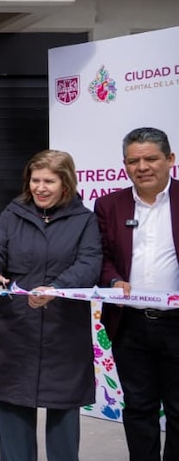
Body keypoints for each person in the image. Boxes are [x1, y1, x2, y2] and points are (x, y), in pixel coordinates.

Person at [0, 150, 101, 461]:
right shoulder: (14, 213)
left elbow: (90, 262)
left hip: (63, 331)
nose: (40, 187)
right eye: (35, 180)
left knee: (63, 410)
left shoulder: (84, 220)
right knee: (14, 404)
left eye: (49, 181)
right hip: (16, 328)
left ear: (65, 184)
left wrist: (58, 288)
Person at [95, 127, 179, 461]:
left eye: (150, 158)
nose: (142, 167)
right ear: (125, 165)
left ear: (170, 160)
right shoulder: (108, 205)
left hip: (177, 324)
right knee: (139, 407)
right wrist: (114, 280)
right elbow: (100, 256)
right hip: (129, 324)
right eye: (133, 161)